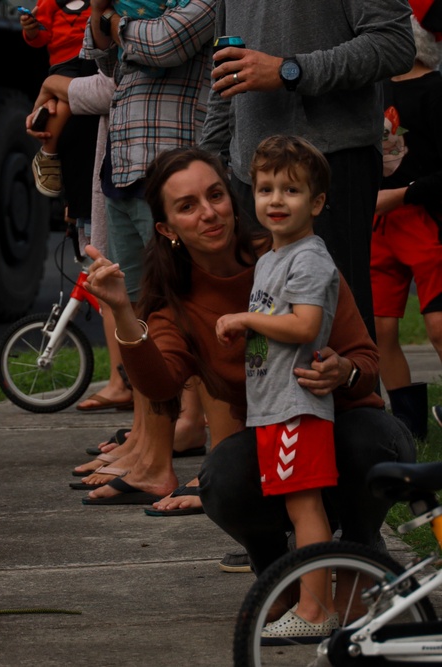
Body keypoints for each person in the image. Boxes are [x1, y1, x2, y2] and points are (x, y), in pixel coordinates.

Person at [83, 147, 415, 585]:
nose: (209, 212)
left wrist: (344, 370)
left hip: (347, 421)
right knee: (221, 478)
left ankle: (359, 547)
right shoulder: (176, 303)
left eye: (216, 195)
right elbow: (160, 385)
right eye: (188, 206)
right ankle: (274, 566)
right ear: (167, 229)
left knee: (368, 444)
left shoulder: (292, 252)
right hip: (272, 437)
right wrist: (124, 311)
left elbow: (366, 361)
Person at [63, 0, 216, 503]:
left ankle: (184, 430)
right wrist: (106, 21)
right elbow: (105, 63)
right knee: (140, 310)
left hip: (170, 168)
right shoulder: (132, 9)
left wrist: (112, 21)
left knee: (179, 308)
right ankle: (147, 444)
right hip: (126, 169)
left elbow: (164, 43)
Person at [200, 0, 416, 338]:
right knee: (258, 336)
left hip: (327, 166)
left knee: (339, 339)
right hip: (248, 176)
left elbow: (395, 43)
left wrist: (291, 70)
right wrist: (207, 161)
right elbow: (226, 71)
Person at [215, 136, 340, 639]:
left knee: (304, 507)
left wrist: (246, 318)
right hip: (275, 404)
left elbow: (307, 325)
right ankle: (314, 604)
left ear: (317, 203)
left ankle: (316, 611)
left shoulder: (308, 258)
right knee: (295, 505)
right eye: (265, 188)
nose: (275, 200)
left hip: (296, 404)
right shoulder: (272, 256)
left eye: (290, 190)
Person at [372, 9, 442, 442]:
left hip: (423, 218)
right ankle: (409, 427)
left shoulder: (435, 90)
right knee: (380, 329)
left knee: (437, 323)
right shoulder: (373, 92)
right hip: (378, 225)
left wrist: (403, 194)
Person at [20, 0, 98, 203]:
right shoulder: (49, 2)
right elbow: (41, 37)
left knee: (76, 98)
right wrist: (32, 29)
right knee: (67, 102)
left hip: (94, 57)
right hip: (64, 62)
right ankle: (48, 154)